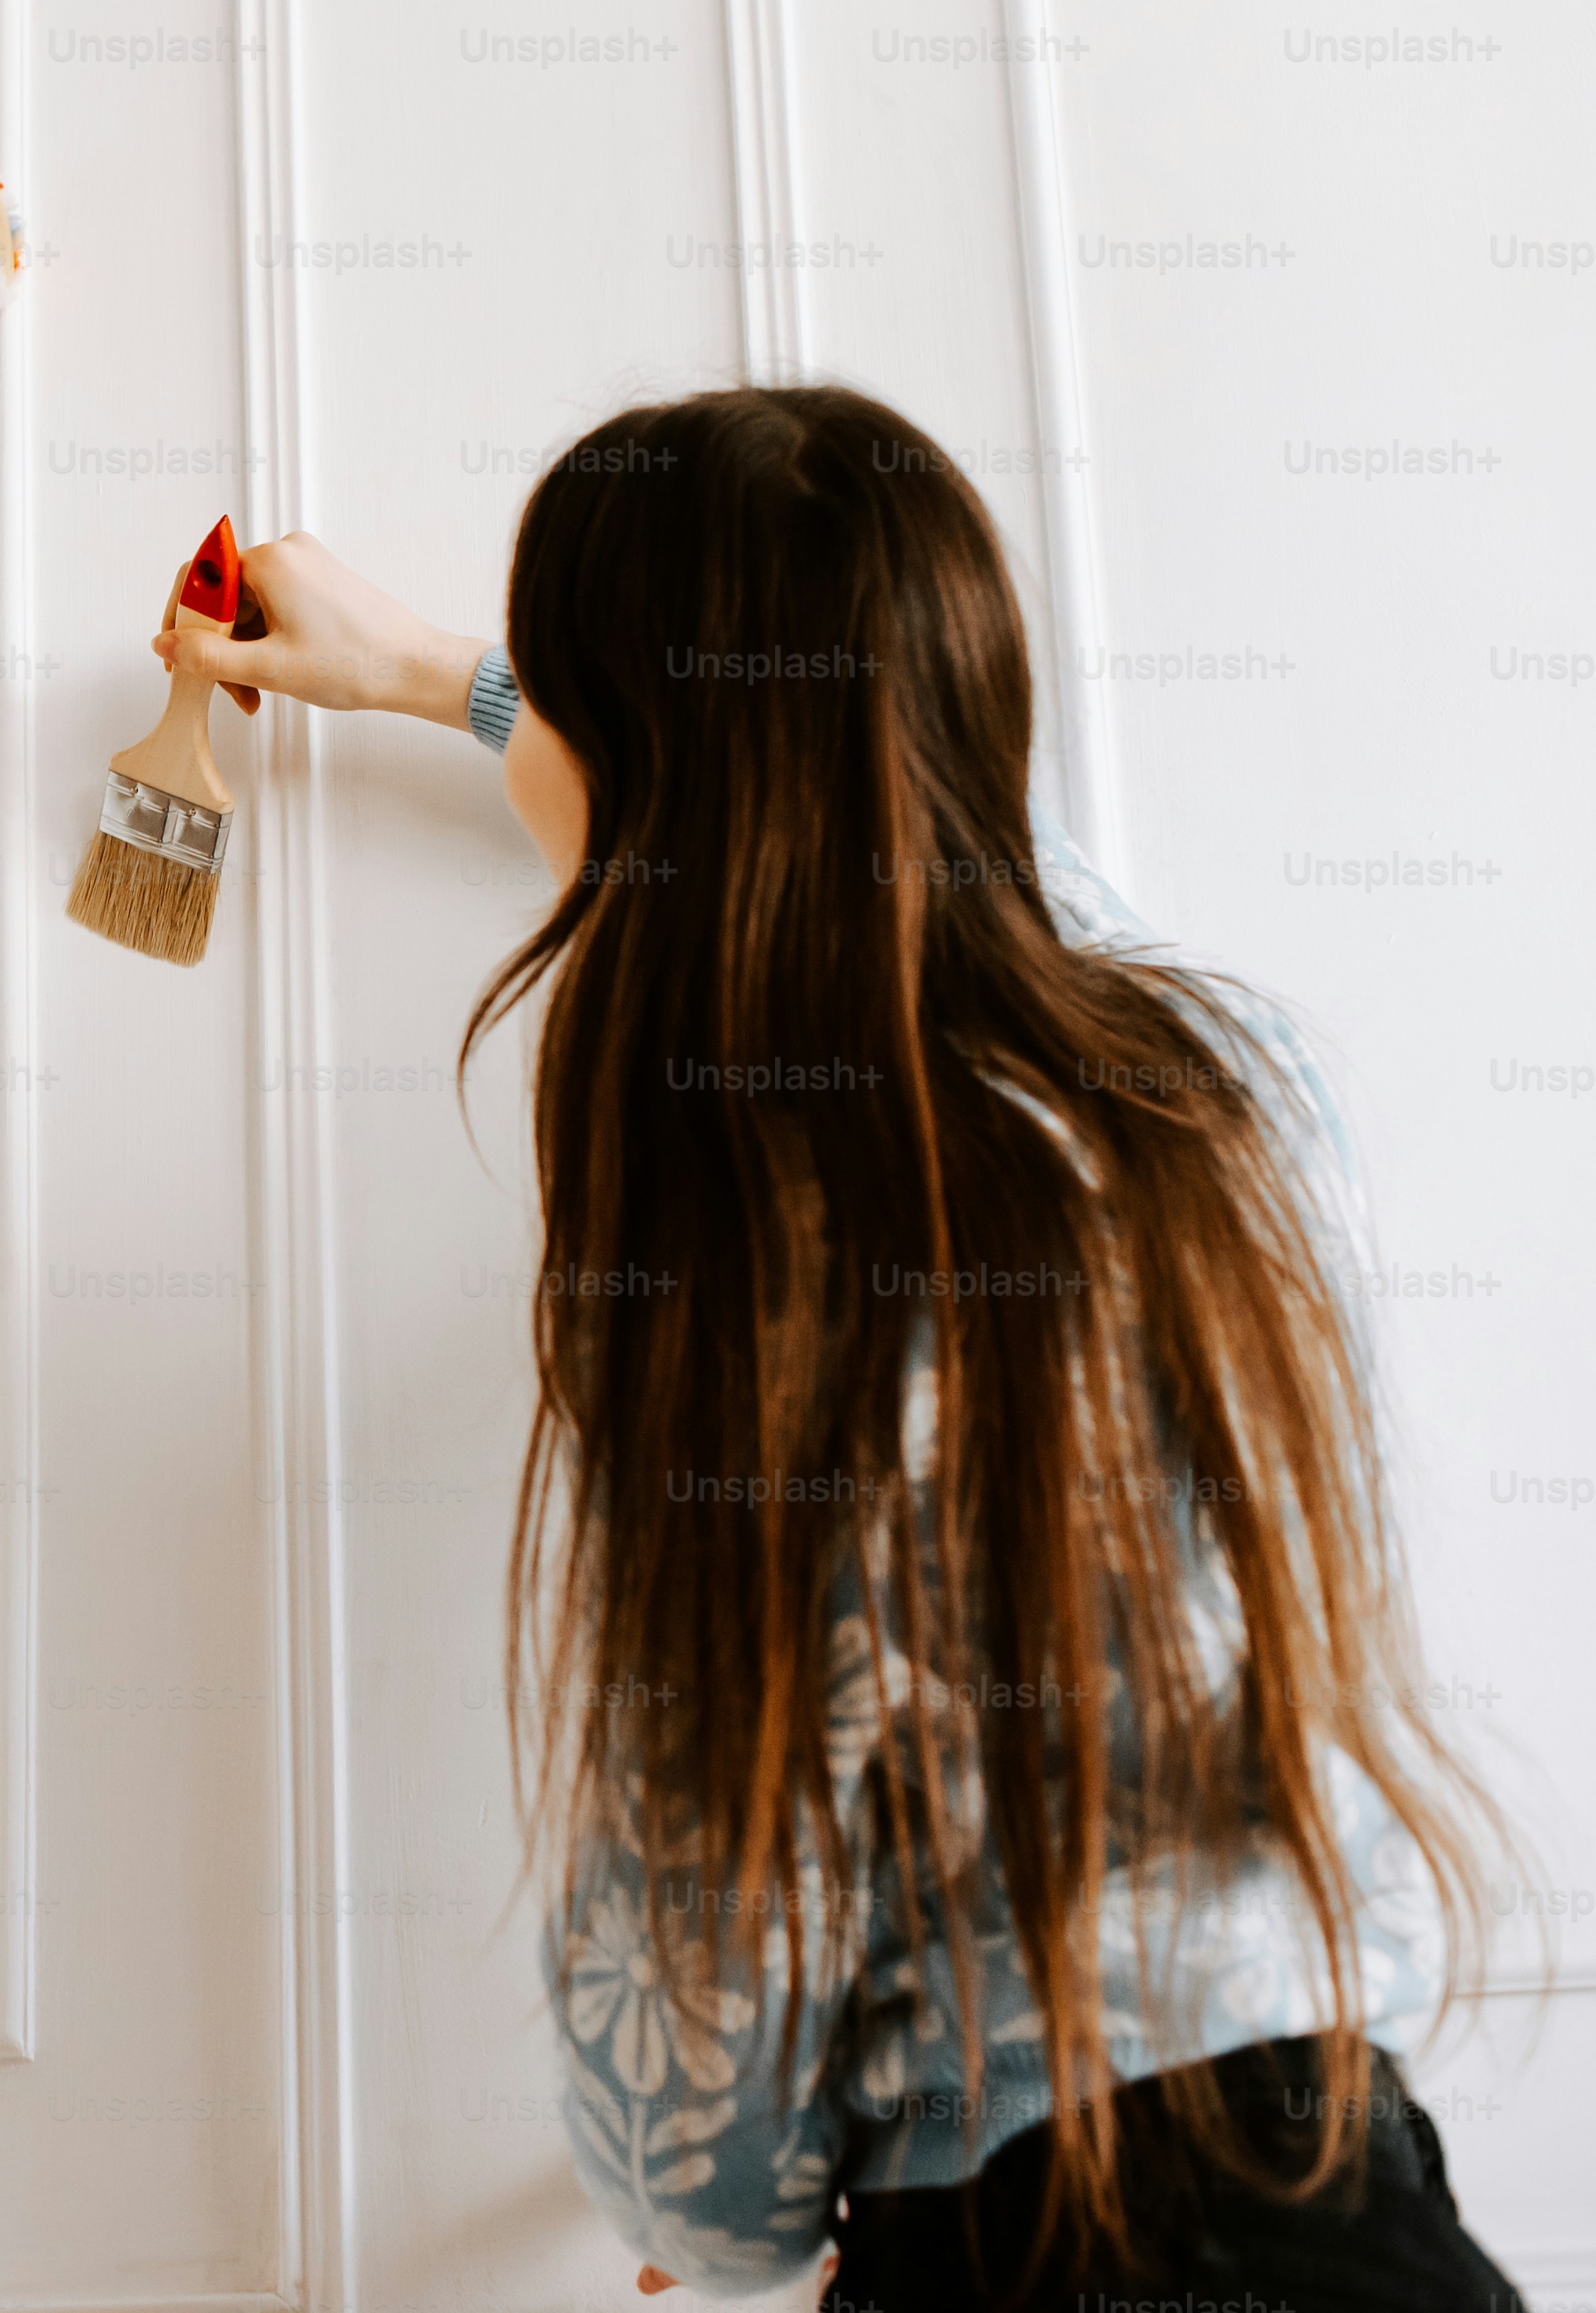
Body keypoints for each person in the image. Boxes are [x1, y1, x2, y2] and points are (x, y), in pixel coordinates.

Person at [176, 388, 1524, 2309]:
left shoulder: (740, 1276)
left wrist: (702, 2228)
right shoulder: (1229, 1096)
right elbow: (925, 822)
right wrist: (438, 679)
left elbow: (704, 1979)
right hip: (1369, 2215)